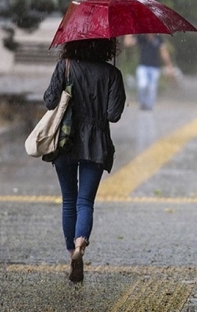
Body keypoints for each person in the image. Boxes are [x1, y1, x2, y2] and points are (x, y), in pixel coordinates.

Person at [43, 38, 126, 283]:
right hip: (96, 143)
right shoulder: (112, 73)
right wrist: (112, 82)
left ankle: (71, 255)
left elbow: (49, 101)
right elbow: (114, 115)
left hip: (65, 140)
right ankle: (81, 244)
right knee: (85, 202)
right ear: (106, 47)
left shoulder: (64, 66)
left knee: (69, 200)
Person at [133, 34, 174, 110]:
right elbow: (128, 43)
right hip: (143, 66)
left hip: (154, 67)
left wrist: (169, 66)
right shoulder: (142, 38)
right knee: (142, 85)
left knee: (152, 88)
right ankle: (142, 102)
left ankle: (149, 105)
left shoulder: (158, 39)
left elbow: (163, 52)